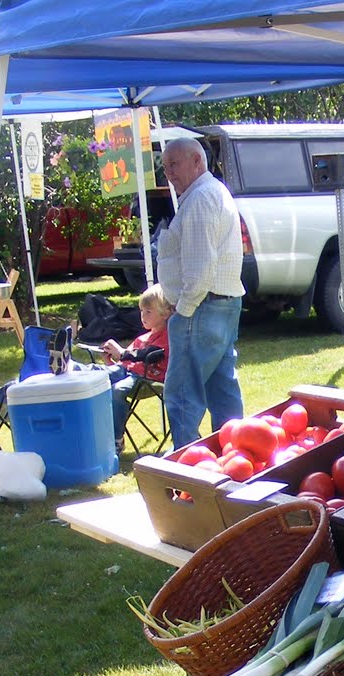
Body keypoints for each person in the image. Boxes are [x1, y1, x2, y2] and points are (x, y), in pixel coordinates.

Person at [156, 136, 244, 448]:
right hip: (220, 303)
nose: (169, 172)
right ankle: (234, 456)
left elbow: (200, 267)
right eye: (165, 167)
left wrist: (183, 310)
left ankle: (188, 467)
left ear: (197, 161)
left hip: (202, 306)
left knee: (183, 395)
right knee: (222, 389)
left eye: (174, 164)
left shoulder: (200, 199)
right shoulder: (211, 192)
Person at [99, 283, 172, 449]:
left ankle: (116, 439)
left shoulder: (168, 337)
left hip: (148, 380)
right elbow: (123, 364)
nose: (143, 316)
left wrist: (122, 353)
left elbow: (150, 355)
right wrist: (109, 360)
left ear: (166, 313)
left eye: (148, 312)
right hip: (128, 373)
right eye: (141, 311)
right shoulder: (142, 338)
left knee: (117, 390)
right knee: (99, 377)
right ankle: (75, 369)